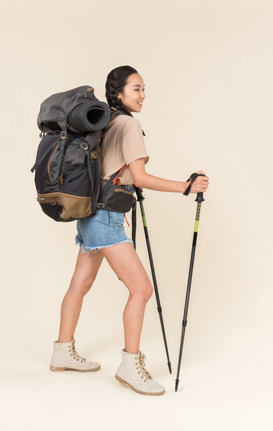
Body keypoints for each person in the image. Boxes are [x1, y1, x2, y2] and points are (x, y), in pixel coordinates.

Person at [50, 66, 209, 396]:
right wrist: (186, 186)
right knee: (141, 289)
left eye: (143, 88)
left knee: (81, 283)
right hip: (106, 217)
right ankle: (129, 365)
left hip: (91, 212)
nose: (142, 95)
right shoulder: (129, 125)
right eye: (136, 89)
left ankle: (62, 352)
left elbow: (113, 172)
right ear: (119, 94)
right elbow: (139, 176)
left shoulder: (104, 122)